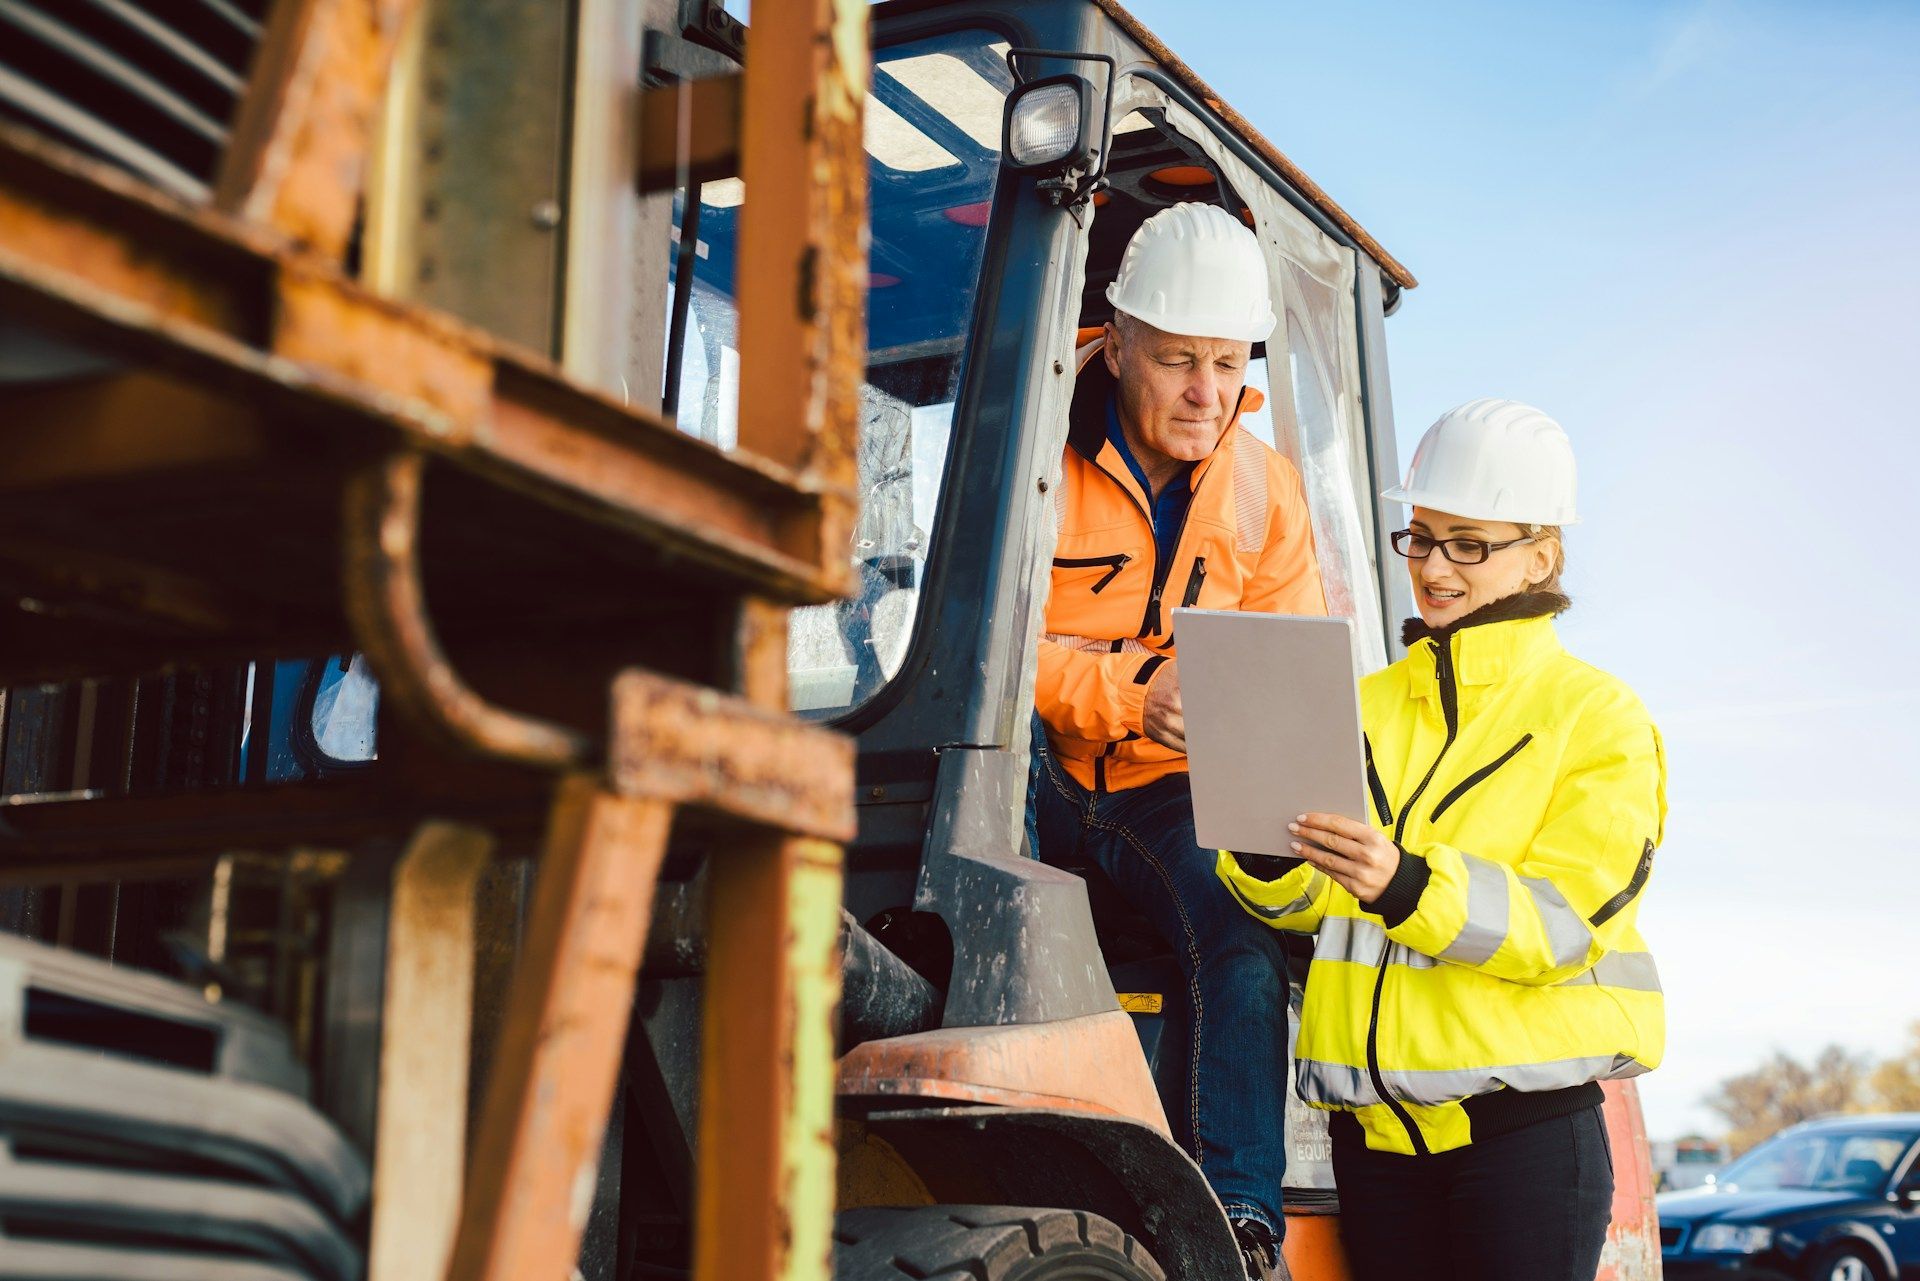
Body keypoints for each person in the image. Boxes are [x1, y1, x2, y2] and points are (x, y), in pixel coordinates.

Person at [1217, 398, 1668, 1281]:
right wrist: (1269, 850)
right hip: (1375, 1152)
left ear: (1542, 554)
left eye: (1468, 542)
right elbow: (1316, 902)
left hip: (1522, 1145)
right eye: (1420, 537)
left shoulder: (1597, 718)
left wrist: (1407, 885)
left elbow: (1567, 920)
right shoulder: (1367, 703)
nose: (1433, 566)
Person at [1027, 201, 1326, 1281]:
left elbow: (1288, 678)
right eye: (1179, 364)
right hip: (1037, 769)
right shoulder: (1028, 438)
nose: (1211, 395)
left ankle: (1239, 1228)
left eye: (1229, 365)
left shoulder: (1264, 490)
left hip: (1167, 794)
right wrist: (1127, 694)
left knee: (1241, 932)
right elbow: (984, 651)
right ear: (1115, 344)